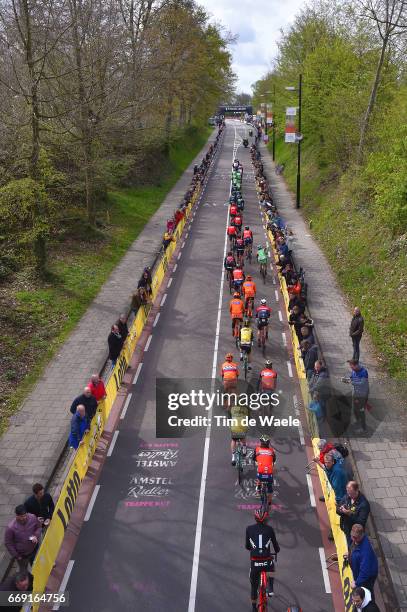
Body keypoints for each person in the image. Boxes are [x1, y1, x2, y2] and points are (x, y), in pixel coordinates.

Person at [246, 509, 280, 611]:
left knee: (254, 586)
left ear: (255, 518)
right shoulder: (270, 529)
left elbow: (247, 546)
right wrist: (277, 550)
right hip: (267, 561)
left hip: (255, 562)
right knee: (272, 566)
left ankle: (253, 608)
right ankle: (270, 588)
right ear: (266, 520)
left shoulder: (249, 529)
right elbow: (276, 547)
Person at [4, 506, 41, 571]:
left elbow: (38, 527)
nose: (24, 518)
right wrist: (17, 556)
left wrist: (36, 535)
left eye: (25, 515)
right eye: (21, 516)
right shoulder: (10, 528)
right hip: (22, 555)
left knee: (36, 566)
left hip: (35, 549)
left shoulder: (32, 517)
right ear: (16, 516)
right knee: (23, 570)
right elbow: (8, 543)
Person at [349, 524, 378, 597]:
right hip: (360, 572)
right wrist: (350, 554)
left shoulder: (365, 551)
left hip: (367, 578)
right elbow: (353, 547)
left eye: (356, 538)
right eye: (352, 536)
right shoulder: (356, 540)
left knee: (366, 593)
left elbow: (365, 572)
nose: (353, 539)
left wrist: (357, 583)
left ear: (362, 535)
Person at [343, 360, 369, 433]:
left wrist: (352, 382)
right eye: (350, 367)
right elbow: (351, 377)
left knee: (361, 411)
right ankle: (358, 421)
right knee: (355, 409)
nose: (351, 368)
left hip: (362, 395)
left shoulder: (364, 372)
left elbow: (362, 383)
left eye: (352, 367)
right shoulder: (354, 370)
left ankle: (364, 429)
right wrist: (347, 379)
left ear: (356, 365)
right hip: (356, 394)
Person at [253, 435, 276, 507]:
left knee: (259, 470)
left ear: (261, 442)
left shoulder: (257, 449)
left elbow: (254, 458)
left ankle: (258, 487)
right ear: (268, 443)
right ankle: (269, 503)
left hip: (260, 472)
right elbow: (274, 460)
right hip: (269, 473)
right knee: (270, 489)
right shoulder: (272, 450)